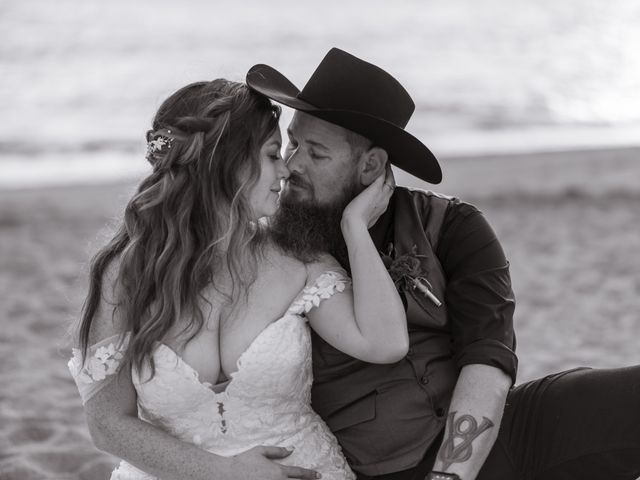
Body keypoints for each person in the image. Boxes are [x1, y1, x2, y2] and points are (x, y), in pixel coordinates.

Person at [246, 48, 640, 480]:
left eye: (316, 154)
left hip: (491, 434)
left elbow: (487, 359)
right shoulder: (269, 246)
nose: (292, 165)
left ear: (371, 165)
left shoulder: (454, 226)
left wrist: (450, 475)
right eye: (292, 142)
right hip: (385, 469)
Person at [67, 78, 411, 480]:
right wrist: (225, 472)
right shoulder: (125, 275)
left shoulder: (297, 260)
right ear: (227, 164)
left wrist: (355, 227)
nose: (286, 168)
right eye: (271, 154)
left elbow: (386, 343)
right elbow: (107, 425)